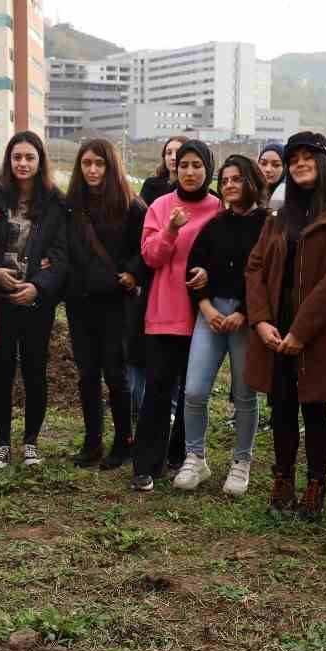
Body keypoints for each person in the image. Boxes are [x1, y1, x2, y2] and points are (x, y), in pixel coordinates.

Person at [244, 131, 326, 521]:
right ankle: (283, 478)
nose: (300, 164)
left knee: (313, 410)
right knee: (281, 407)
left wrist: (300, 332)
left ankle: (316, 484)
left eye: (308, 157)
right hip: (274, 330)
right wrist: (261, 321)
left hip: (317, 332)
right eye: (293, 159)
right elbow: (255, 268)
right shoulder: (279, 216)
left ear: (324, 163)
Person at [130, 139, 220, 491]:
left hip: (204, 314)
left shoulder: (219, 208)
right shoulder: (161, 206)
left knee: (192, 393)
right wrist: (171, 230)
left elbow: (228, 257)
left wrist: (210, 273)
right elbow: (150, 257)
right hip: (165, 312)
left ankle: (183, 457)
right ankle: (146, 465)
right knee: (158, 388)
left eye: (197, 165)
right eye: (184, 165)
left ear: (208, 168)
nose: (190, 172)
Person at [0, 131, 70, 469]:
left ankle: (31, 442)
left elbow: (60, 253)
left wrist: (39, 287)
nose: (23, 163)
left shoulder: (55, 202)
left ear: (40, 161)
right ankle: (2, 443)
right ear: (9, 160)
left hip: (36, 303)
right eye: (17, 157)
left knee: (34, 370)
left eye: (30, 157)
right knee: (1, 371)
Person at [180, 154, 267, 495]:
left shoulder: (268, 225)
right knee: (194, 390)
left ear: (252, 181)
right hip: (211, 313)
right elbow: (194, 267)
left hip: (248, 318)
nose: (229, 185)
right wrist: (205, 306)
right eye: (225, 180)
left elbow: (269, 275)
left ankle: (242, 461)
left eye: (237, 179)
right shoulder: (214, 224)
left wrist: (244, 312)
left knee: (245, 393)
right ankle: (195, 458)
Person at [63, 138, 147, 469]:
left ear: (111, 166)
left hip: (115, 302)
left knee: (115, 373)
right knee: (87, 374)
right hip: (79, 302)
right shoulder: (71, 205)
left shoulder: (130, 205)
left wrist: (133, 273)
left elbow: (146, 247)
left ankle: (124, 442)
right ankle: (92, 442)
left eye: (99, 163)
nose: (93, 170)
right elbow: (62, 245)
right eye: (87, 163)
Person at [130, 135, 187, 411]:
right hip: (151, 269)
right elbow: (142, 234)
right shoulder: (152, 187)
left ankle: (172, 405)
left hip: (181, 276)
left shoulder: (201, 195)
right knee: (142, 341)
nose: (173, 157)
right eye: (169, 152)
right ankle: (141, 402)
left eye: (178, 152)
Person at [258, 141, 286, 210]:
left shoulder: (290, 197)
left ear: (285, 168)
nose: (268, 169)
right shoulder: (249, 193)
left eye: (276, 165)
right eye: (263, 164)